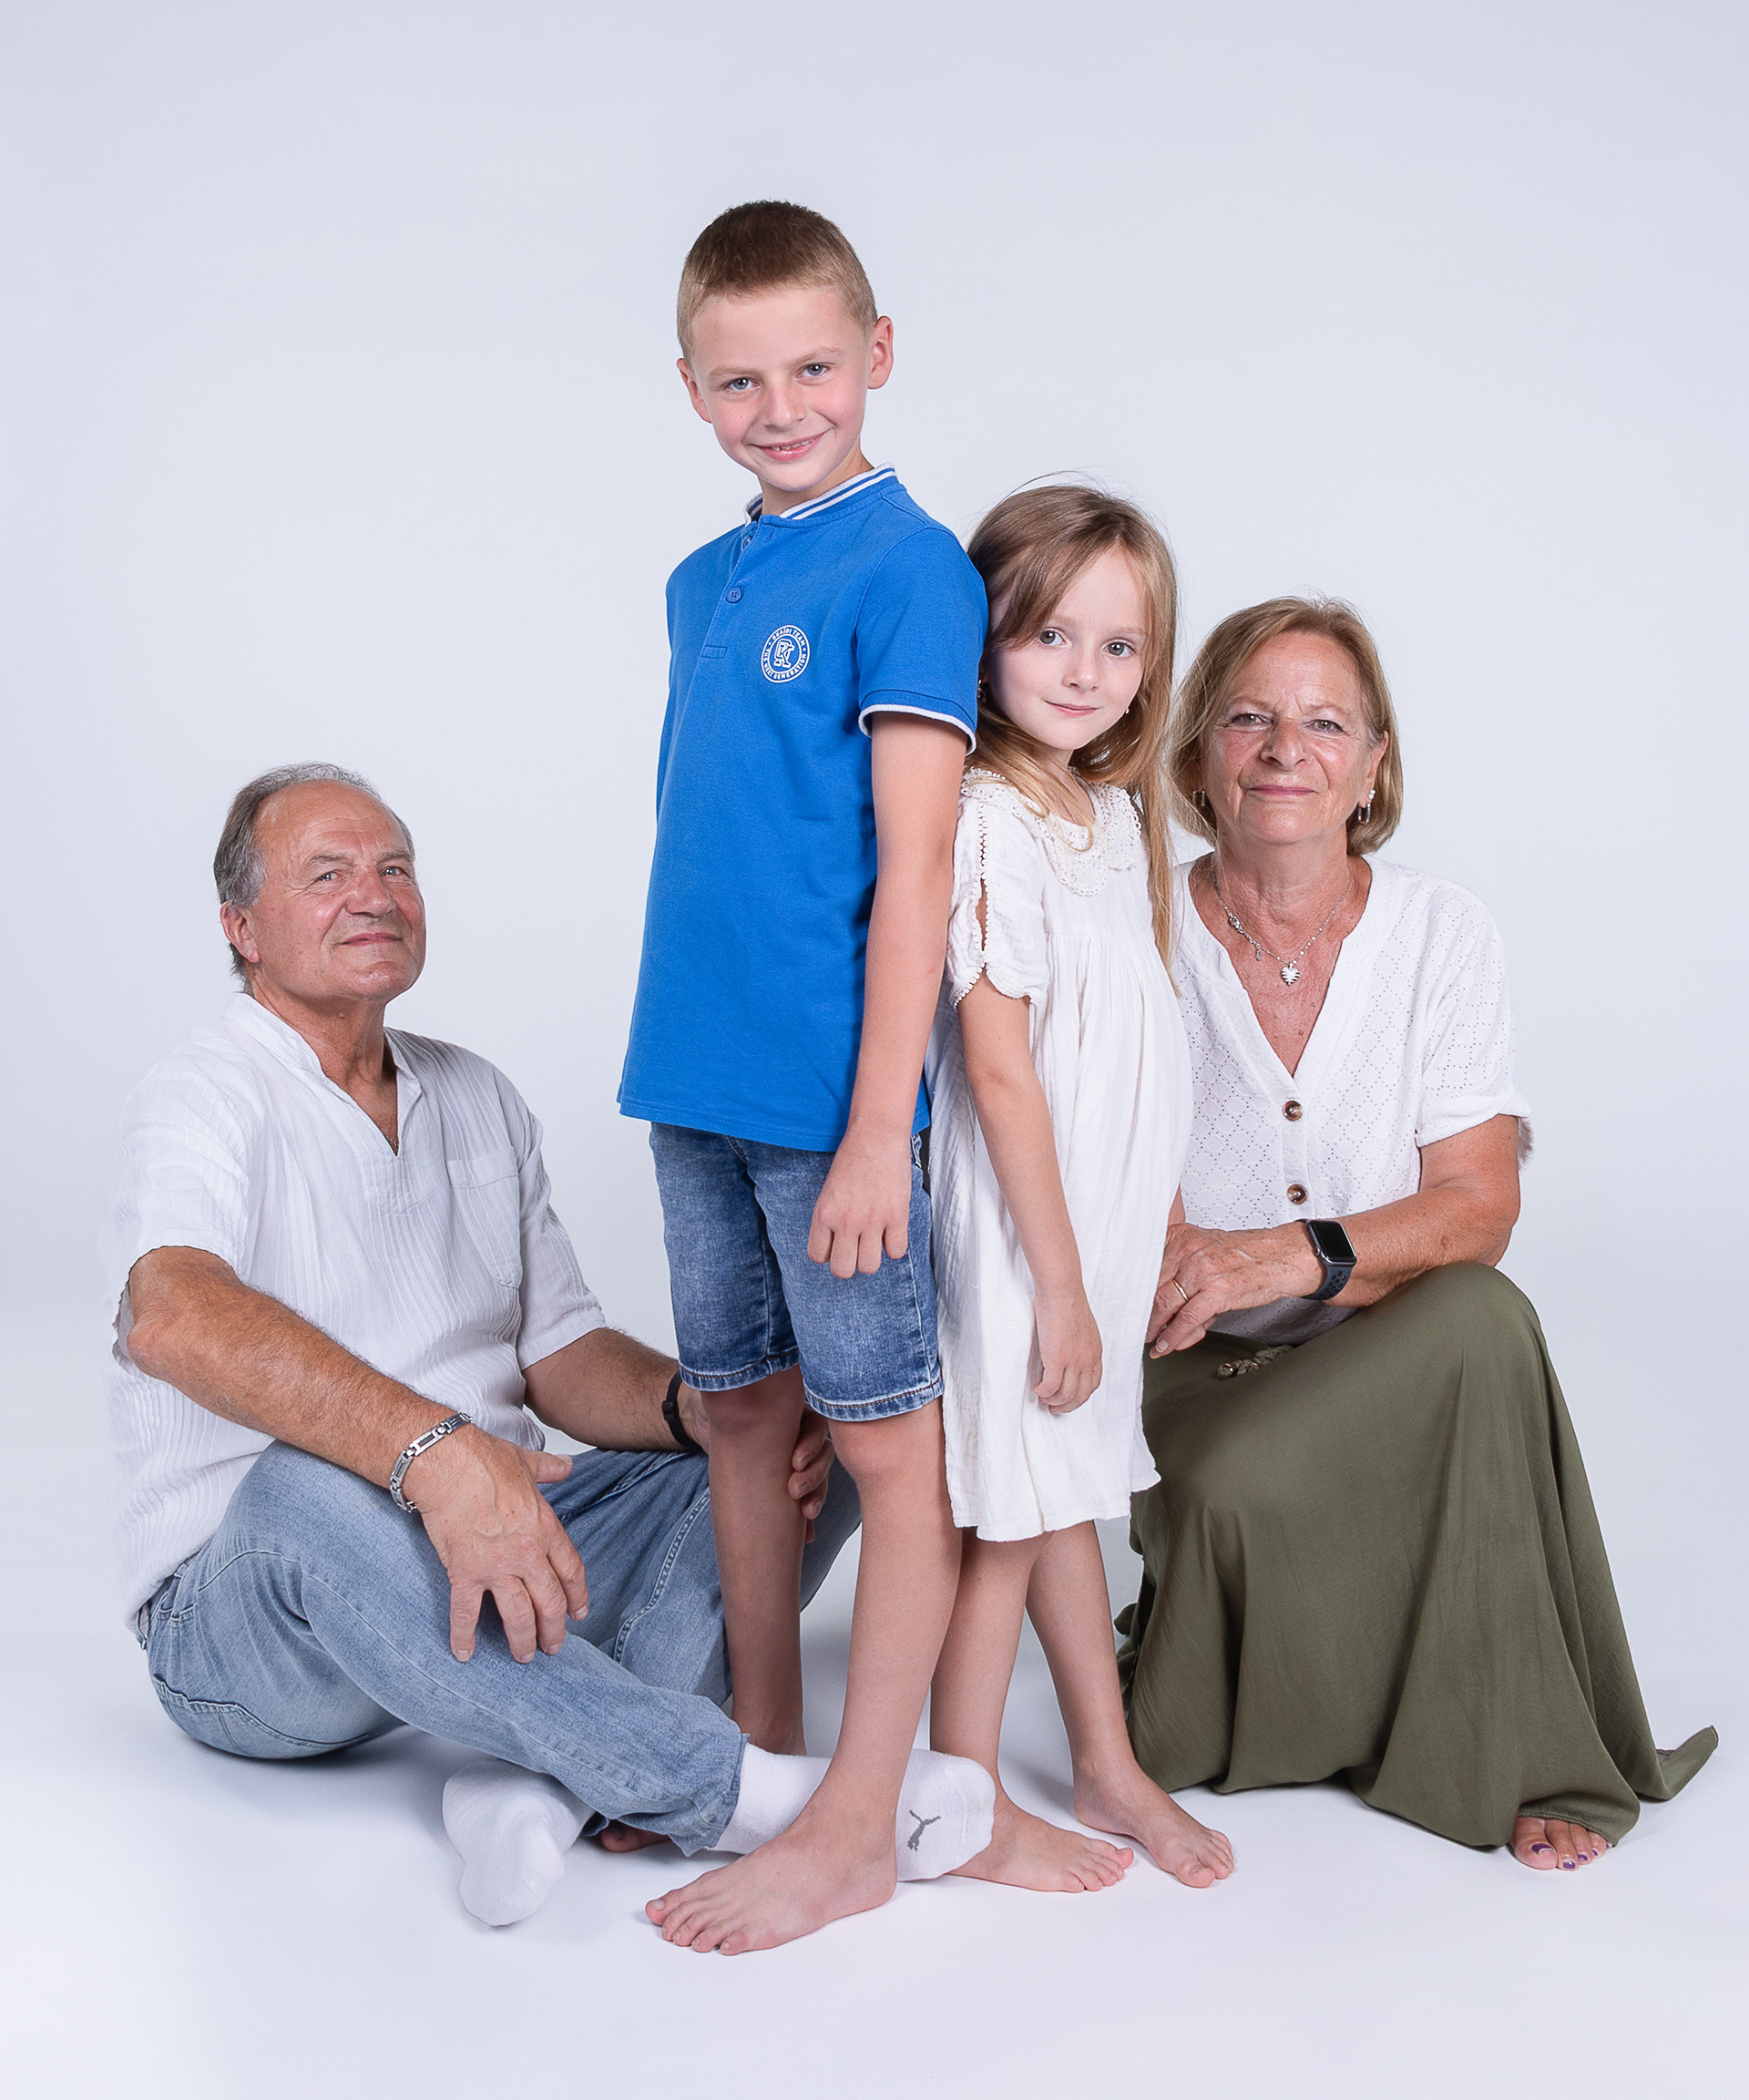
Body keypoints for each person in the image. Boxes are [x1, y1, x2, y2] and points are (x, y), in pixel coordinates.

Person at [105, 764, 993, 1932]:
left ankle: (527, 1775)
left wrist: (716, 1416)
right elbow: (167, 1312)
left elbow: (560, 1356)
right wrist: (433, 1455)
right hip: (256, 1609)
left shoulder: (475, 1092)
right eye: (327, 876)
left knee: (792, 1454)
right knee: (294, 1495)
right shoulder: (202, 1093)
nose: (372, 895)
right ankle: (746, 1793)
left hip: (498, 1539)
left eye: (394, 869)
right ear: (243, 928)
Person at [1120, 599, 1716, 1870]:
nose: (1287, 747)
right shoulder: (1139, 927)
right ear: (1198, 753)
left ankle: (1525, 1746)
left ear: (1374, 764)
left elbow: (1478, 1208)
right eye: (1250, 717)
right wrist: (1202, 1263)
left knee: (1484, 1321)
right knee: (1228, 1487)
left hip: (1387, 1340)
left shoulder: (1445, 933)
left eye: (1325, 722)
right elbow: (1122, 1193)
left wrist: (1285, 1256)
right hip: (1191, 1357)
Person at [618, 200, 989, 1952]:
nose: (783, 405)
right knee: (747, 1422)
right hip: (691, 1084)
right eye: (741, 378)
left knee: (886, 1452)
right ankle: (761, 1763)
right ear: (690, 388)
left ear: (880, 357)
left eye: (815, 367)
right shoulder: (703, 579)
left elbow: (913, 874)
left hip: (830, 1115)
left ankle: (858, 1823)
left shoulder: (911, 569)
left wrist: (875, 1133)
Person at [926, 488, 1233, 1893]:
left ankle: (1104, 1766)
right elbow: (1000, 1070)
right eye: (1051, 633)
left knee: (1065, 1498)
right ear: (987, 639)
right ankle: (962, 1800)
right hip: (1024, 1232)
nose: (1083, 672)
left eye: (1119, 647)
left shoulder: (1108, 818)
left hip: (1097, 1227)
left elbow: (1131, 1049)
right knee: (1011, 1515)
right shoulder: (989, 818)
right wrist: (1056, 1285)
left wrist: (1133, 1236)